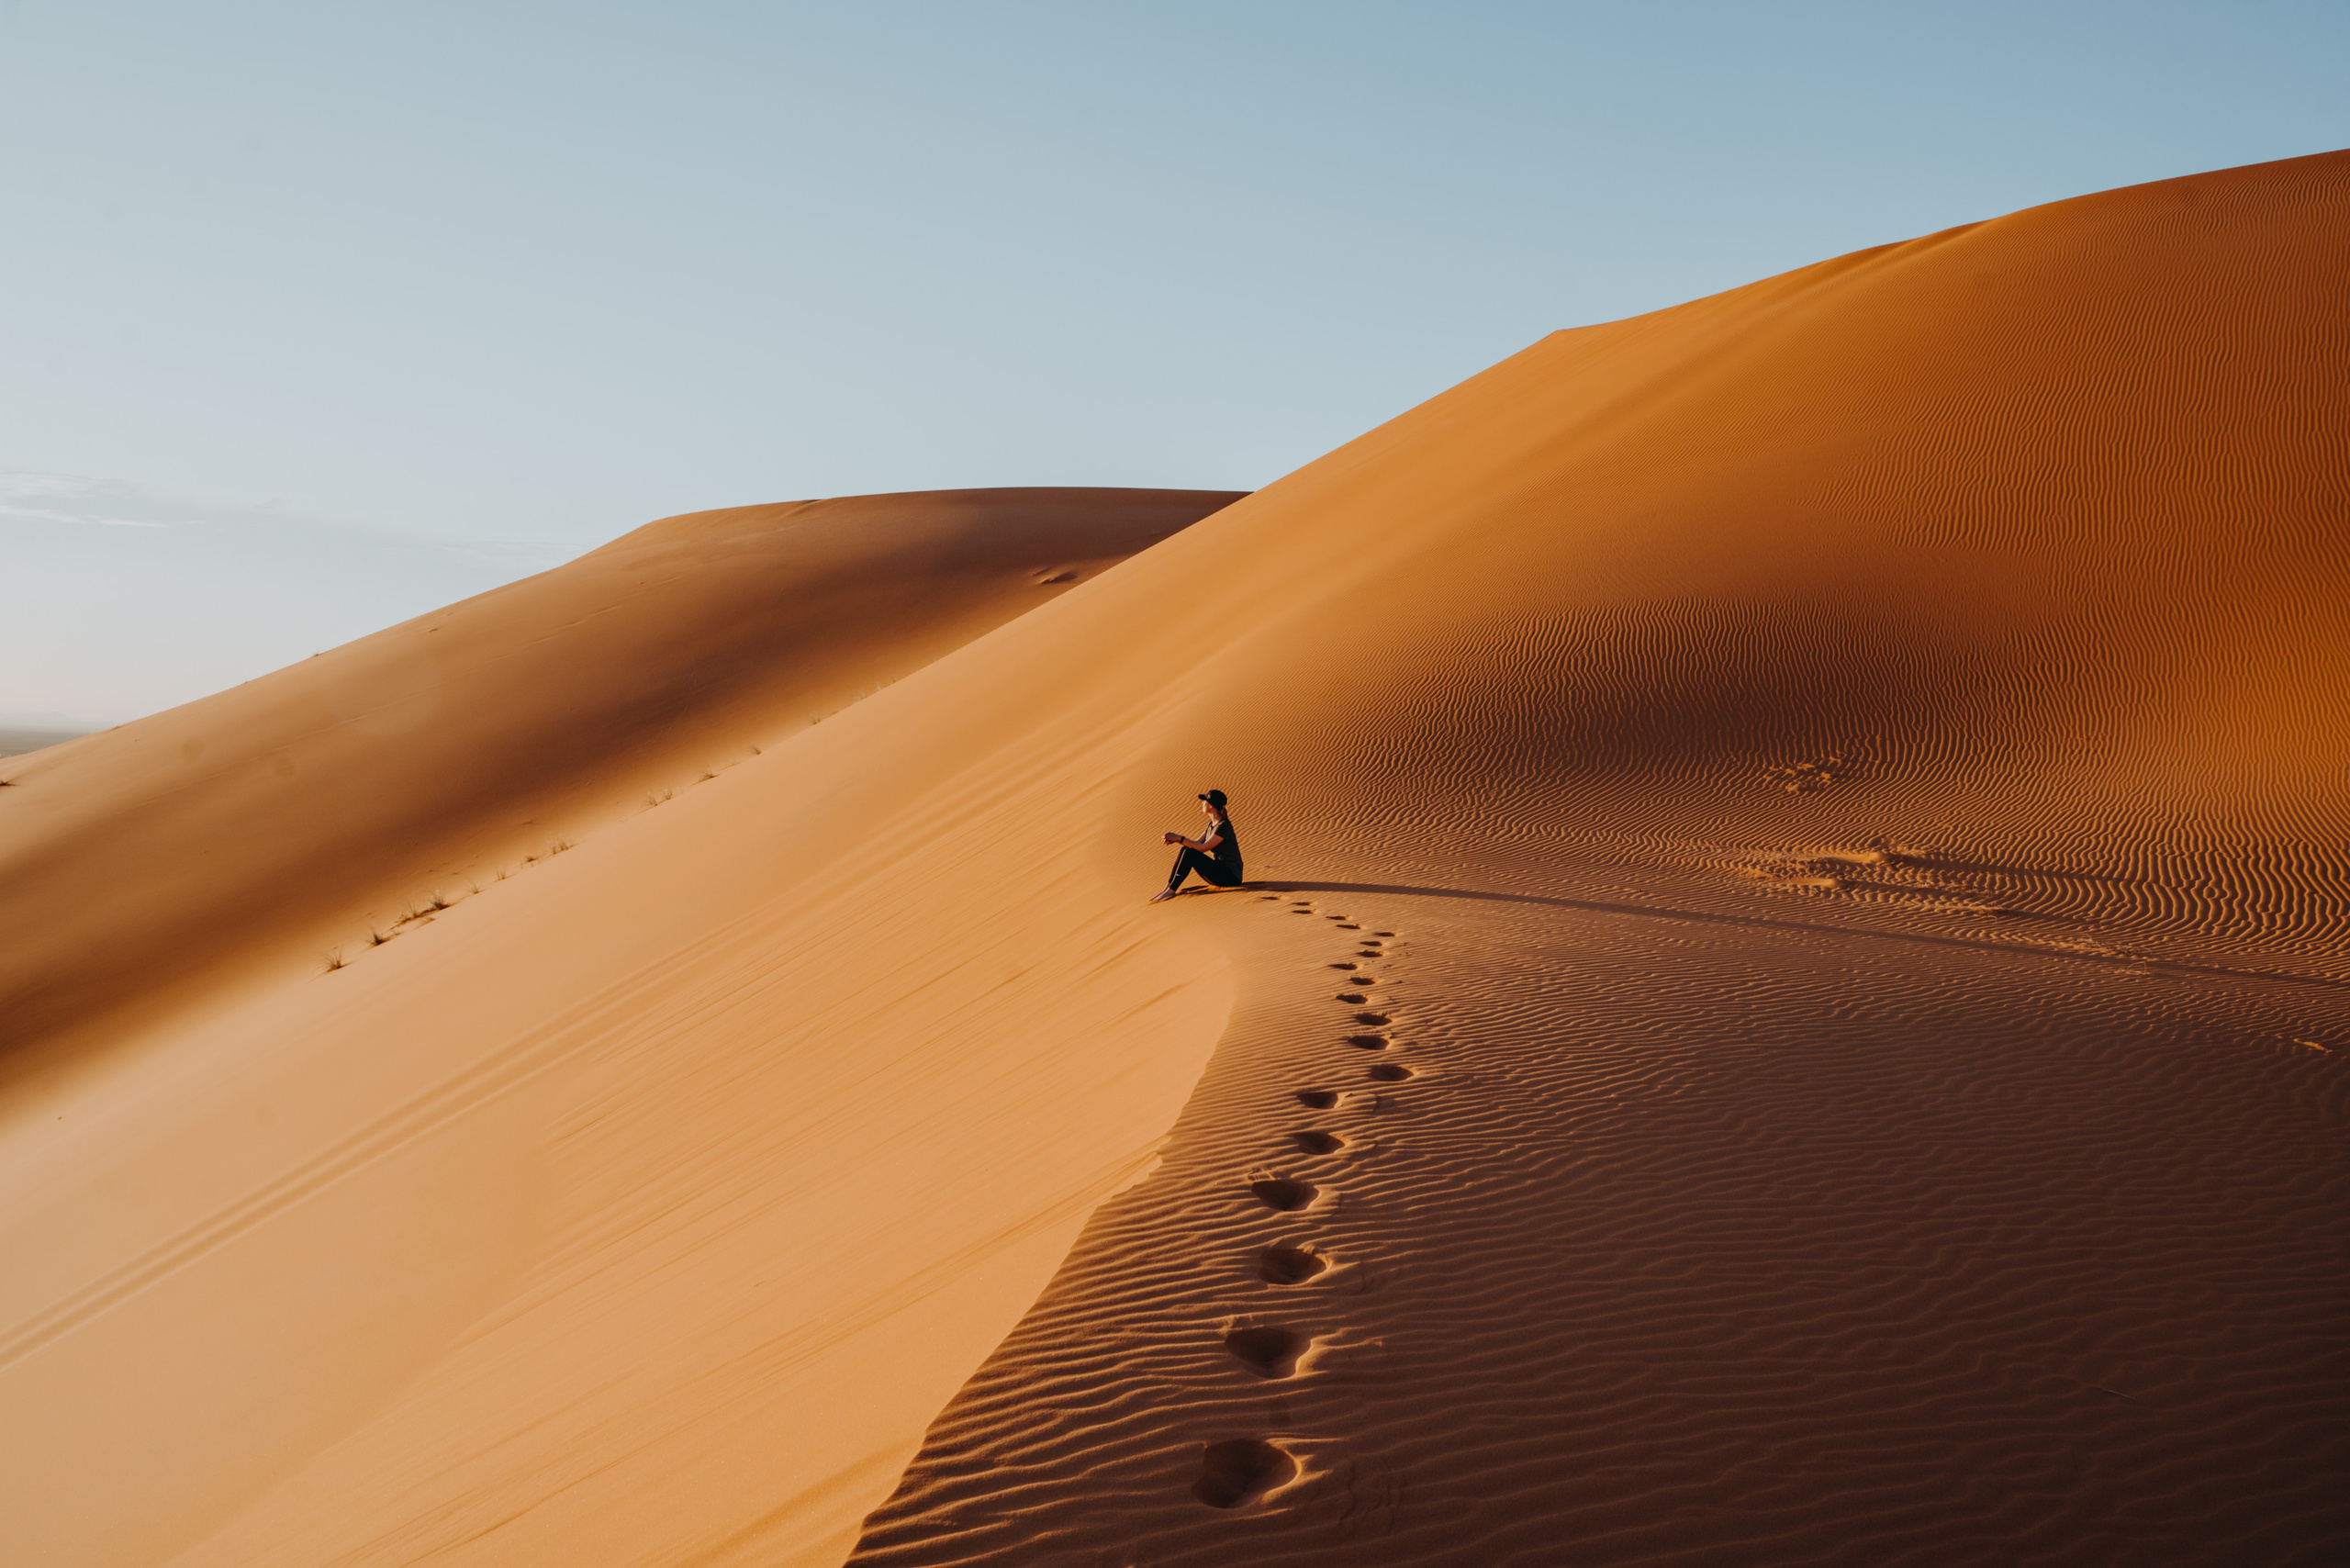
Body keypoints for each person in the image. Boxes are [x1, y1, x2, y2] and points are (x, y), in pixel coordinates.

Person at [1151, 789, 1243, 902]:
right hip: (1221, 873)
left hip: (1231, 877)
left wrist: (1180, 838)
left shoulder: (1224, 826)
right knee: (1186, 849)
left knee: (1190, 853)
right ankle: (1167, 888)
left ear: (1211, 805)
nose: (1202, 803)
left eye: (1205, 801)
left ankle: (1171, 891)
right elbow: (1197, 844)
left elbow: (1203, 848)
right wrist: (1176, 839)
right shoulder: (1211, 825)